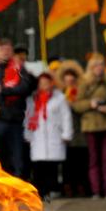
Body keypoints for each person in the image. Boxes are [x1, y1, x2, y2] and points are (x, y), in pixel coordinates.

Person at [71, 55, 106, 199]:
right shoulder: (84, 83)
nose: (100, 68)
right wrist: (90, 104)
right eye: (97, 66)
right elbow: (77, 104)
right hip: (91, 125)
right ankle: (96, 190)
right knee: (94, 159)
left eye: (101, 65)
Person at [0, 38, 33, 178]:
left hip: (15, 120)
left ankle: (17, 188)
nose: (5, 52)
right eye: (2, 49)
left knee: (17, 157)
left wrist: (3, 90)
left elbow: (25, 88)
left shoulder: (20, 68)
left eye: (8, 49)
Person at [24, 72, 73, 200]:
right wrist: (27, 135)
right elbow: (28, 117)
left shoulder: (60, 98)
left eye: (47, 83)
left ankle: (53, 189)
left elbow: (66, 117)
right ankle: (40, 191)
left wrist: (67, 133)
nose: (44, 85)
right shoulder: (32, 99)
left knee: (52, 166)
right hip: (37, 136)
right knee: (38, 166)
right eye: (42, 83)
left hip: (54, 135)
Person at [56, 59, 90, 197]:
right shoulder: (59, 92)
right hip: (63, 132)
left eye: (72, 77)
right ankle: (68, 187)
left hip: (79, 130)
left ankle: (82, 186)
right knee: (67, 163)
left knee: (81, 160)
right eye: (67, 77)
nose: (69, 79)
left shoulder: (81, 91)